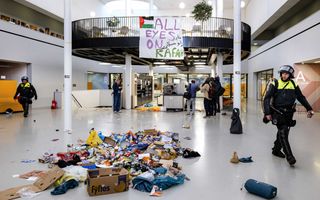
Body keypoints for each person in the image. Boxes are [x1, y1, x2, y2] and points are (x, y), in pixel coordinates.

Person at [263, 65, 314, 166]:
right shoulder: (275, 83)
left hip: (289, 113)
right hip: (278, 112)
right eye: (282, 73)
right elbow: (267, 98)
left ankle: (276, 150)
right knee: (283, 132)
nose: (284, 75)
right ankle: (290, 157)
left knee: (283, 132)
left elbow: (301, 97)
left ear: (290, 75)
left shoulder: (294, 84)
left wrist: (309, 108)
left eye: (286, 74)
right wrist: (267, 113)